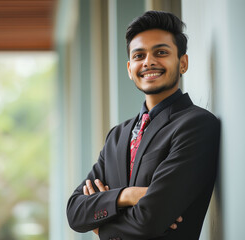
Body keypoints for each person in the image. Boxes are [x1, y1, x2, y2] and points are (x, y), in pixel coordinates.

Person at [66, 10, 220, 240]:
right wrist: (127, 195)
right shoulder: (117, 136)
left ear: (183, 63)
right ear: (129, 69)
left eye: (161, 52)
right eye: (139, 56)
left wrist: (100, 226)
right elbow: (75, 212)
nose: (148, 61)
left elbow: (150, 219)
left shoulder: (196, 125)